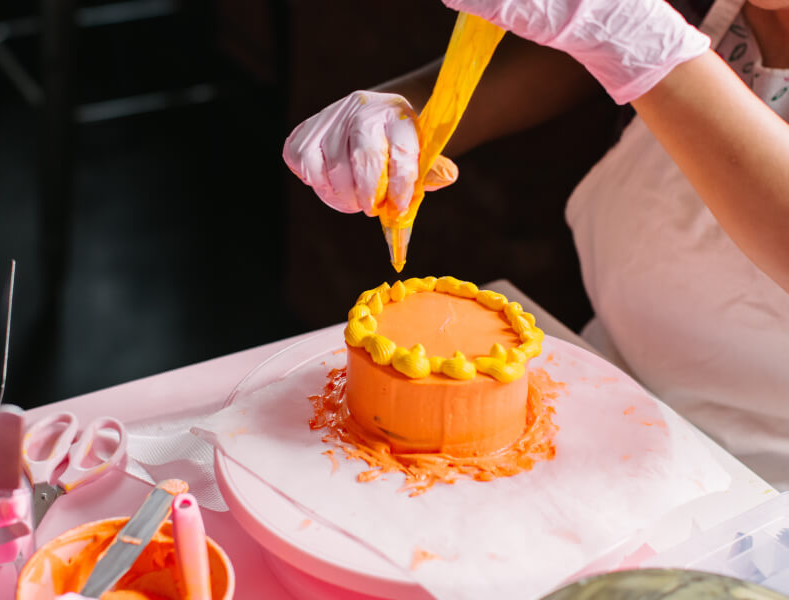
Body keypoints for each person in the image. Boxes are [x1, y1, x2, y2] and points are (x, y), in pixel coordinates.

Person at [283, 0, 789, 490]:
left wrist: (640, 36)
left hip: (767, 487)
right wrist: (408, 113)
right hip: (604, 386)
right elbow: (578, 47)